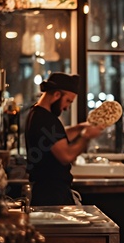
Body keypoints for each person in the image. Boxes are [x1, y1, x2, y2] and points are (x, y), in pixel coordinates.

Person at [24, 72, 104, 205]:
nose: (66, 107)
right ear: (57, 95)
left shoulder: (37, 113)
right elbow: (66, 156)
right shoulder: (46, 119)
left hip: (45, 191)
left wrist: (80, 128)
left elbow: (57, 137)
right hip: (51, 195)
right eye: (68, 101)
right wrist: (86, 136)